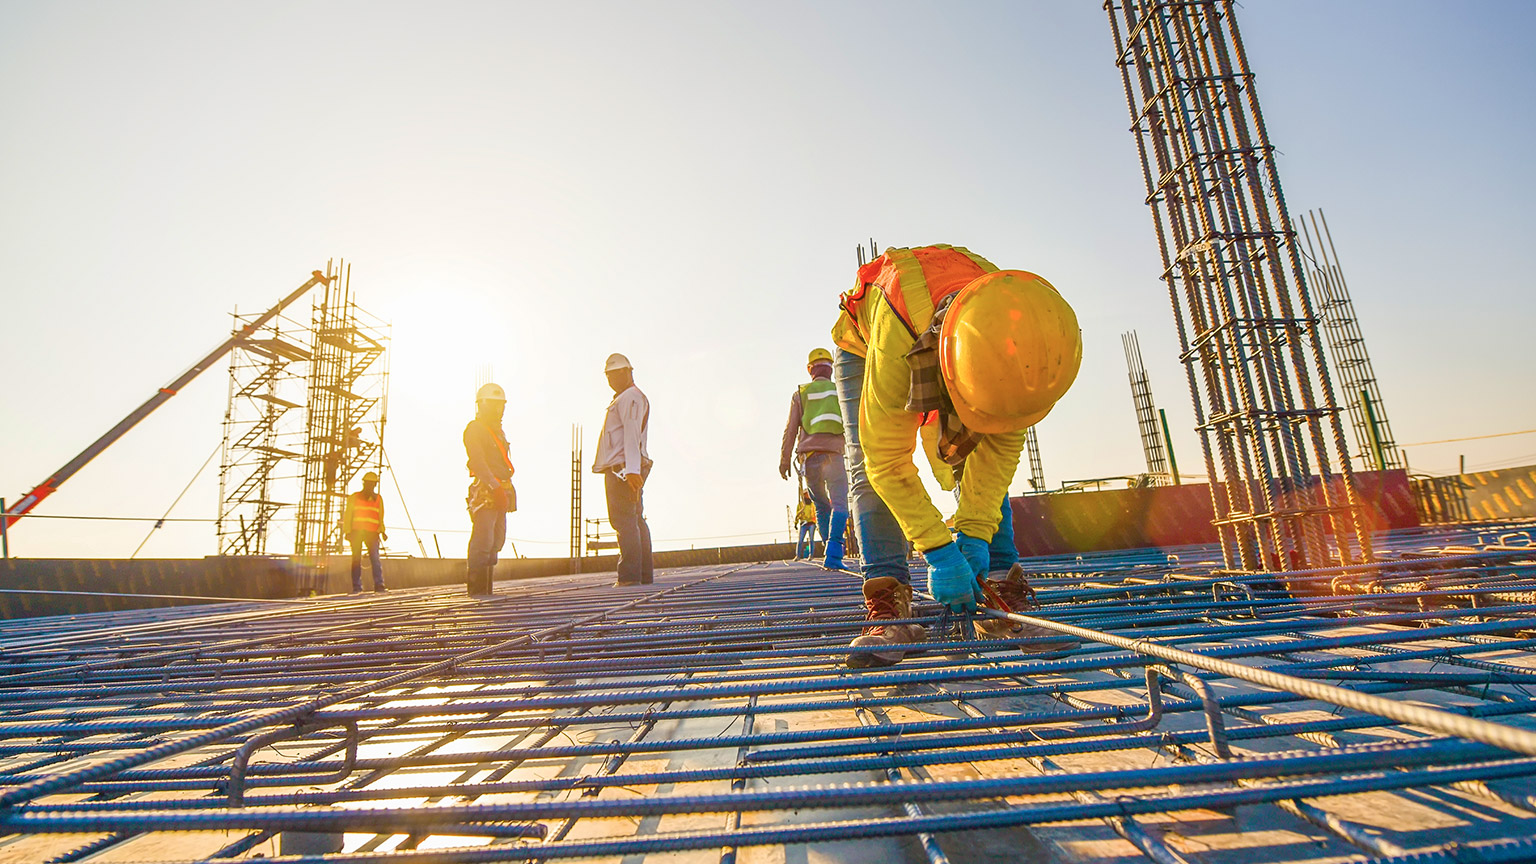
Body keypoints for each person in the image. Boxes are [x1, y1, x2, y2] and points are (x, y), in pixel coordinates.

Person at [830, 245, 1082, 668]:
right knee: (863, 465)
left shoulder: (1023, 335)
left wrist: (976, 534)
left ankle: (999, 588)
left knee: (981, 442)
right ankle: (891, 607)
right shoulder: (896, 344)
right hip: (870, 341)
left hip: (955, 329)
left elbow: (999, 450)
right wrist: (939, 551)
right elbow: (886, 461)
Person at [779, 347, 851, 570]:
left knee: (821, 506)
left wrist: (784, 460)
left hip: (810, 459)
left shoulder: (801, 393)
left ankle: (829, 552)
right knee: (839, 504)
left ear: (810, 369)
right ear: (831, 369)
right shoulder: (840, 390)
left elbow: (790, 430)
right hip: (835, 457)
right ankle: (834, 554)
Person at [591, 353, 653, 585]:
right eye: (607, 376)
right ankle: (643, 576)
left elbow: (631, 434)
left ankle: (629, 577)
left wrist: (632, 471)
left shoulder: (631, 397)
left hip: (623, 469)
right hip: (627, 467)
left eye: (612, 375)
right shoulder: (627, 398)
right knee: (635, 520)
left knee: (624, 521)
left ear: (626, 373)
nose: (610, 380)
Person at [464, 382, 515, 596]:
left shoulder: (498, 432)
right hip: (486, 489)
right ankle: (477, 592)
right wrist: (494, 487)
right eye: (496, 405)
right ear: (484, 405)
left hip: (501, 488)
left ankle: (487, 589)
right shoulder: (475, 429)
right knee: (483, 540)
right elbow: (478, 461)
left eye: (501, 405)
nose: (500, 410)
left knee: (497, 540)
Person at [341, 471, 387, 593]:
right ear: (364, 484)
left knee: (375, 559)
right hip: (356, 533)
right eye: (369, 484)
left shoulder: (378, 499)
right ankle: (357, 587)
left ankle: (379, 585)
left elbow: (380, 517)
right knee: (356, 559)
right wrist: (347, 531)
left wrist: (382, 531)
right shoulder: (354, 497)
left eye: (373, 484)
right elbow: (348, 515)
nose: (370, 486)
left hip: (372, 533)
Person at [794, 490, 817, 559]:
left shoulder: (813, 504)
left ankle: (811, 555)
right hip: (803, 523)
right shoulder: (800, 505)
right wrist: (796, 523)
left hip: (811, 523)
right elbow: (797, 514)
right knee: (800, 540)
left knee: (811, 540)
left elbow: (816, 514)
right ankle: (798, 556)